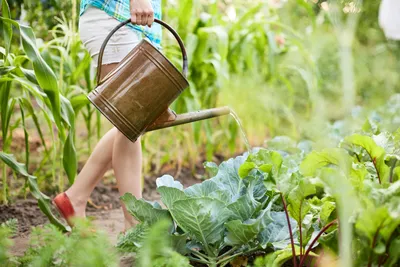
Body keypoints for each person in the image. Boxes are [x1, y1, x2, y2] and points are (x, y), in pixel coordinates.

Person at [53, 0, 175, 231]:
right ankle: (134, 224)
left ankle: (75, 198)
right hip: (116, 16)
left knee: (131, 122)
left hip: (136, 24)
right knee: (131, 121)